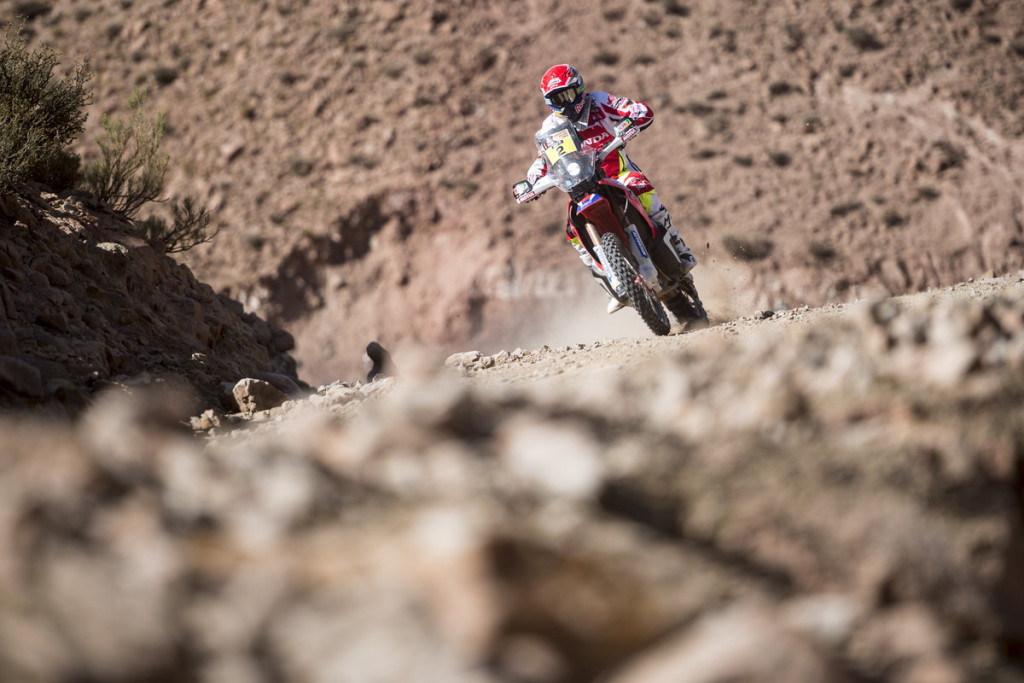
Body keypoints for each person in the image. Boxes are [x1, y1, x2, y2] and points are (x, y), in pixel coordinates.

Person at [525, 64, 697, 313]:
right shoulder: (551, 128)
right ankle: (611, 282)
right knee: (573, 231)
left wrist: (632, 120)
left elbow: (636, 109)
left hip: (618, 173)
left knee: (643, 192)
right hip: (581, 186)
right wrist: (530, 182)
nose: (564, 102)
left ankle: (680, 250)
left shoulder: (600, 101)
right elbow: (544, 160)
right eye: (556, 98)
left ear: (579, 88)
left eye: (568, 94)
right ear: (548, 101)